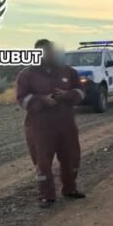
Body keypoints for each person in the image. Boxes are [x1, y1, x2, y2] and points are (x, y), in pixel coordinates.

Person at [15, 39, 86, 208]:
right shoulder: (27, 74)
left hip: (66, 123)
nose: (47, 55)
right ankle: (46, 196)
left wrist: (67, 95)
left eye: (49, 51)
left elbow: (81, 92)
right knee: (43, 161)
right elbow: (22, 99)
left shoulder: (69, 72)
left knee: (71, 157)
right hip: (40, 126)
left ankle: (70, 189)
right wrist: (42, 100)